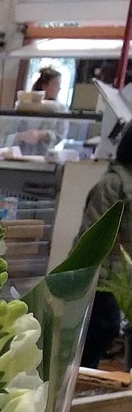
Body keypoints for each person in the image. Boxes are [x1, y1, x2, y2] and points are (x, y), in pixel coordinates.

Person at [79, 123, 132, 368]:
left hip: (123, 277)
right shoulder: (113, 185)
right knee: (102, 327)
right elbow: (91, 237)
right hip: (103, 276)